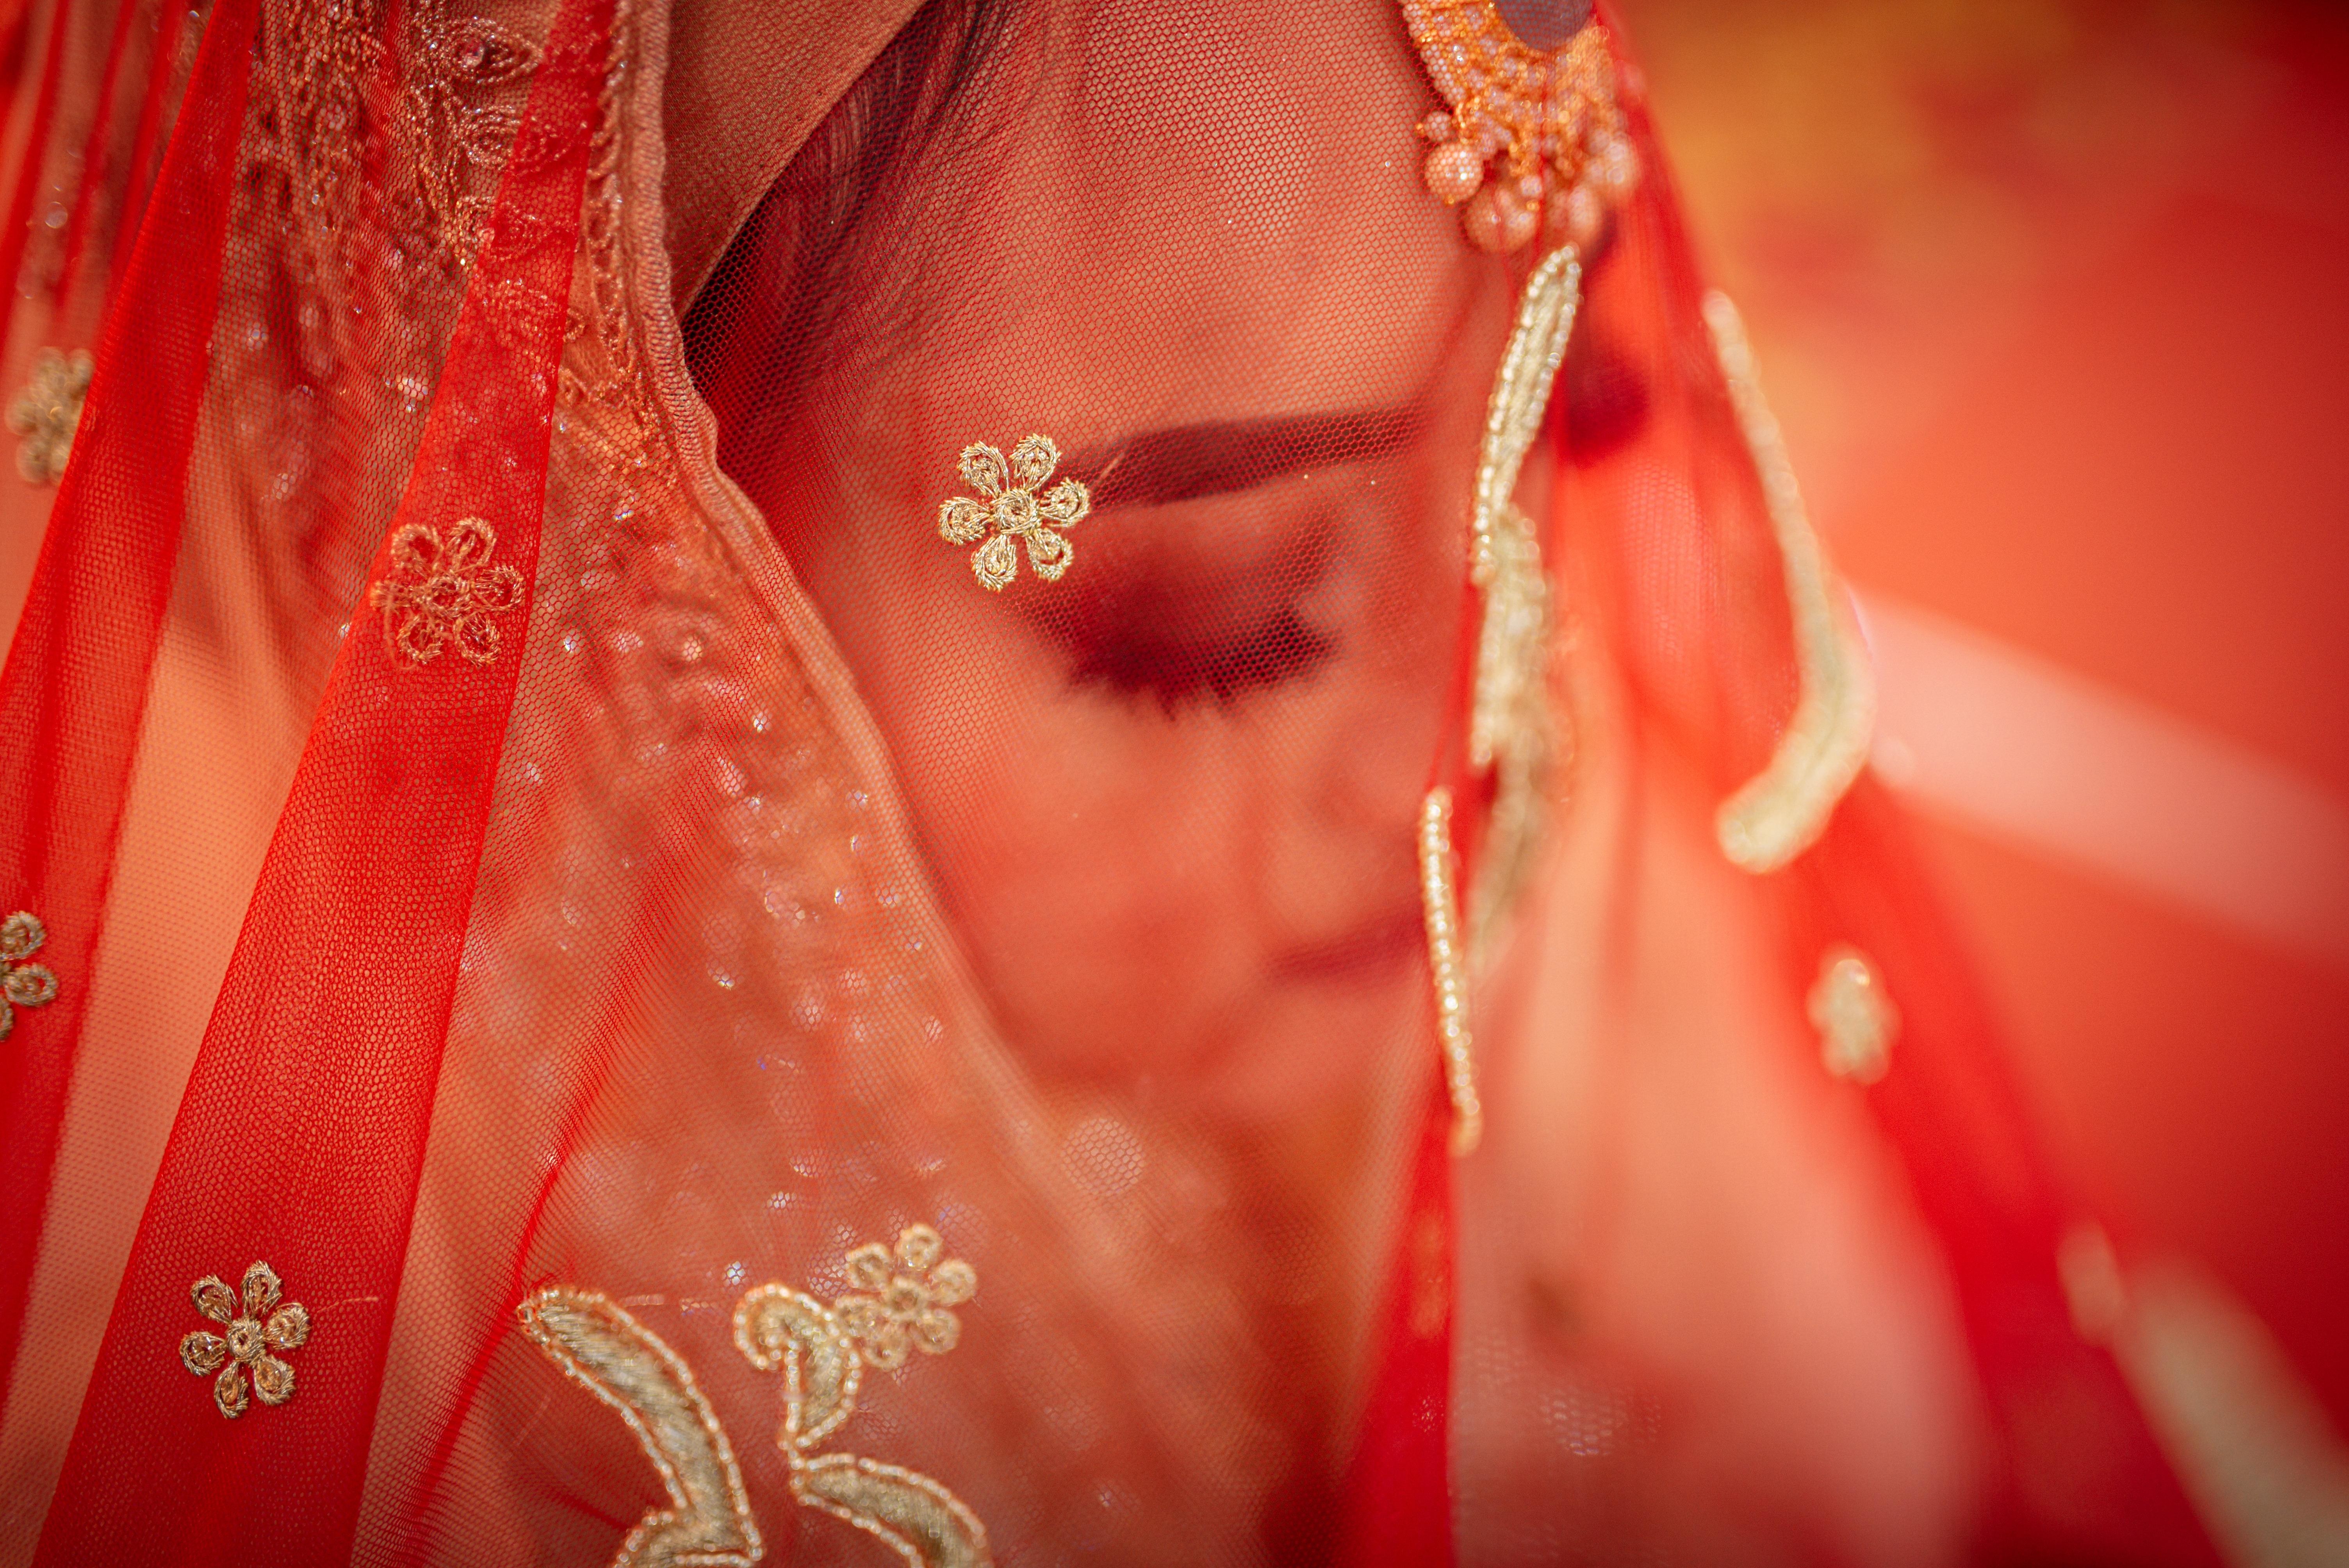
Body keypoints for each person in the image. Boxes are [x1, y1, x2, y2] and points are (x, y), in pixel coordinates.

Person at [0, 0, 2260, 1561]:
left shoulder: (1588, 1020)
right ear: (575, 570)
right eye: (1220, 618)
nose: (1476, 726)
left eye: (1549, 450)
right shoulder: (255, 1402)